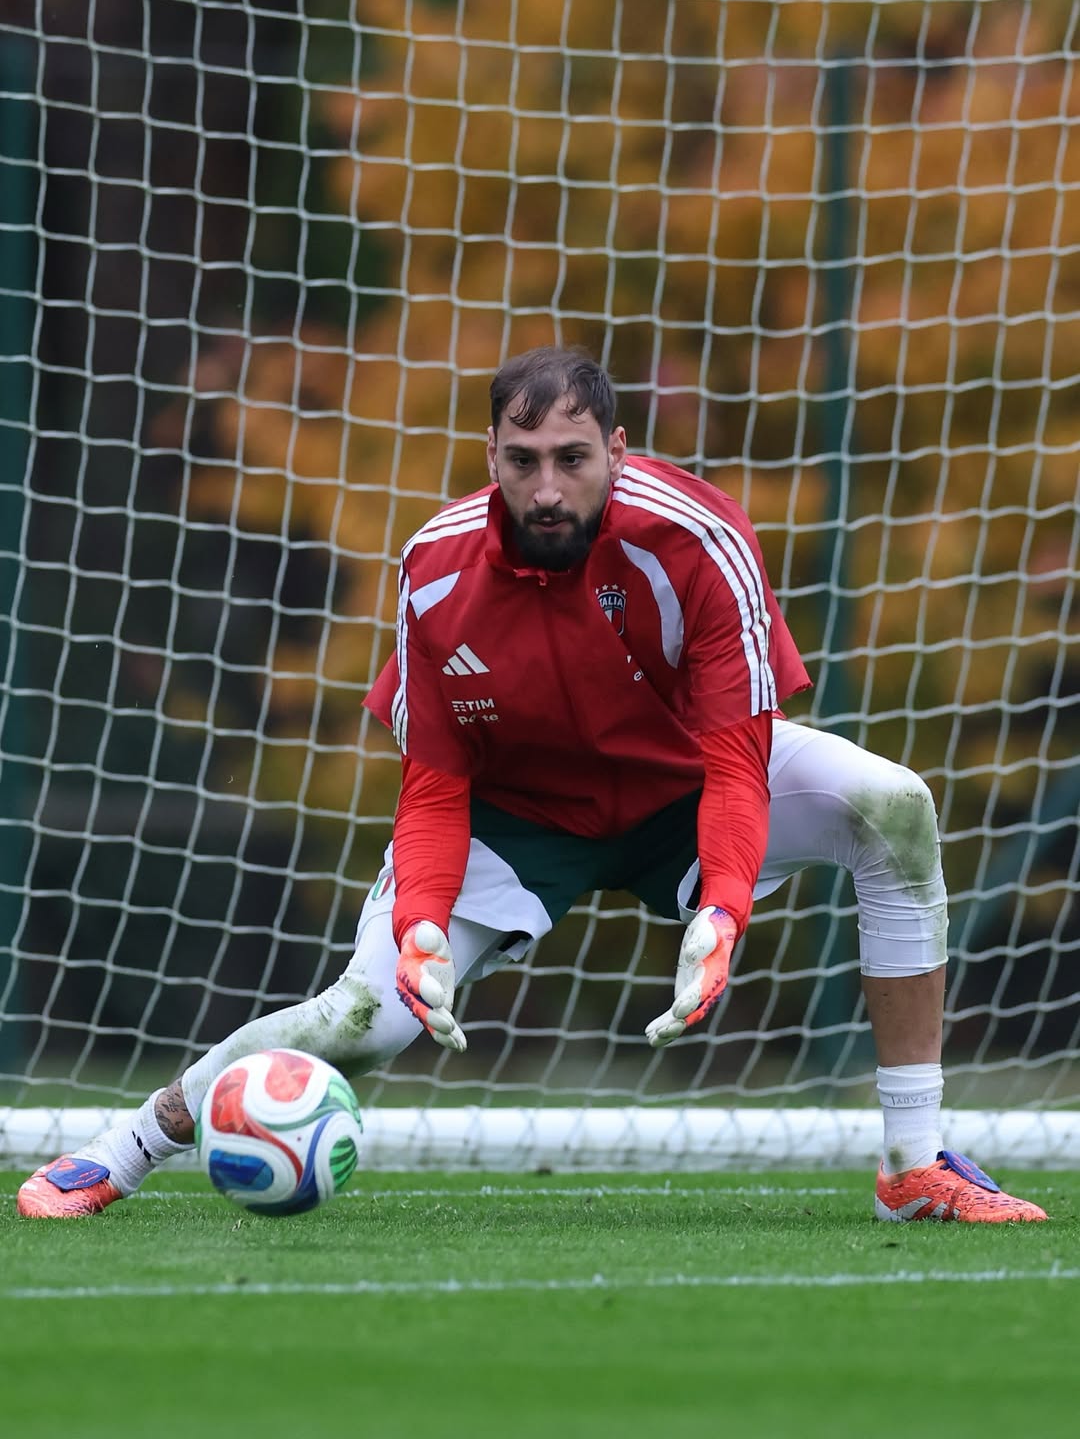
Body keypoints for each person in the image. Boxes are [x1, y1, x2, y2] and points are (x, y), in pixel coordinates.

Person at [18, 345, 1046, 1222]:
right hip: (515, 816)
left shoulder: (700, 541)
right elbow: (432, 786)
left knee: (897, 808)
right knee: (358, 1020)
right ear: (491, 460)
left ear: (618, 453)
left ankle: (915, 1166)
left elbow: (739, 758)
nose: (547, 487)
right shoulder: (433, 568)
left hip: (688, 791)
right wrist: (422, 923)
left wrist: (725, 911)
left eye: (572, 459)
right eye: (522, 461)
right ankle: (122, 1149)